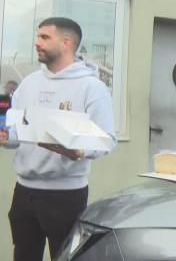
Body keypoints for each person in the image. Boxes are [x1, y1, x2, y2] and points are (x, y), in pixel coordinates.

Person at [0, 17, 116, 261]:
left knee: (65, 258)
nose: (36, 43)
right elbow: (17, 133)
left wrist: (80, 151)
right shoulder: (29, 84)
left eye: (44, 37)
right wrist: (5, 136)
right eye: (37, 36)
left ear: (65, 43)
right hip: (24, 192)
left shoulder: (91, 87)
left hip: (66, 197)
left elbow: (107, 139)